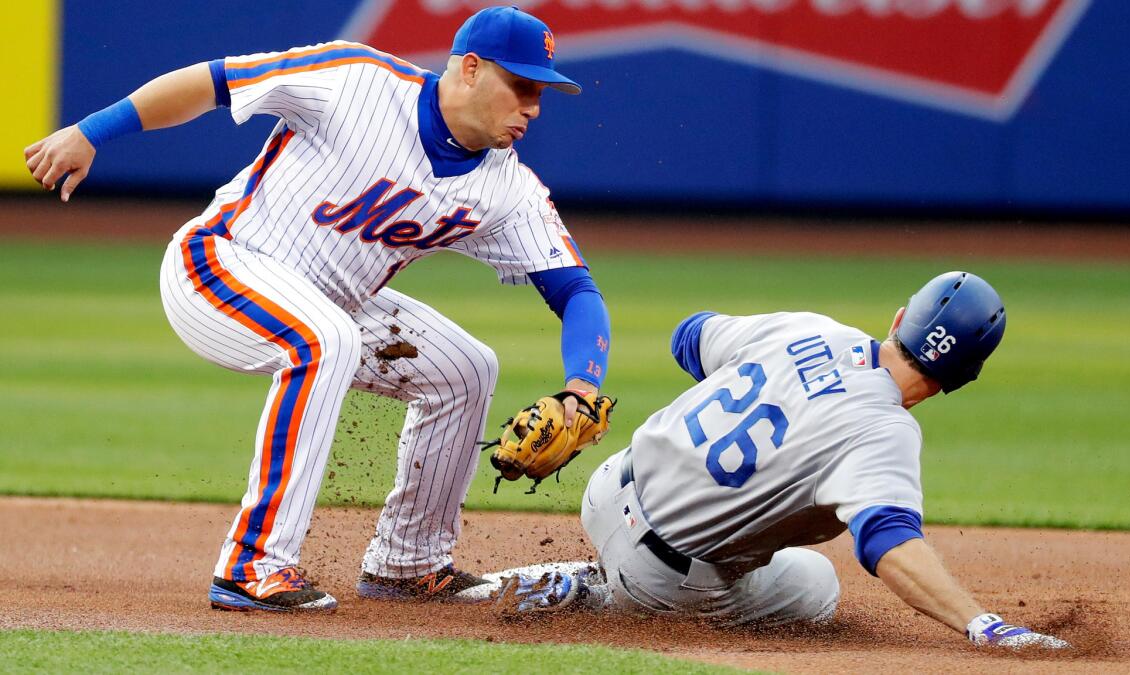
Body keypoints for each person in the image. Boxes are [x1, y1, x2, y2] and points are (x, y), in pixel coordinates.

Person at [23, 6, 611, 613]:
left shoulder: (506, 187)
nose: (533, 107)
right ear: (469, 69)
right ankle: (251, 565)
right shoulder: (357, 79)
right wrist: (91, 131)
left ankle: (409, 563)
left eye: (540, 91)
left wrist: (581, 390)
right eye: (521, 86)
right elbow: (212, 82)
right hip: (220, 263)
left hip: (334, 304)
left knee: (467, 368)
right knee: (325, 340)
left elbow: (577, 292)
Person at [492, 272, 1069, 651]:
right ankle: (596, 593)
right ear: (962, 378)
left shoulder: (812, 329)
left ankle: (589, 578)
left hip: (607, 489)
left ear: (899, 319)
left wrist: (772, 382)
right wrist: (980, 622)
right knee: (819, 585)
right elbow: (889, 545)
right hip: (660, 582)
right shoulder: (885, 432)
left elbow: (688, 335)